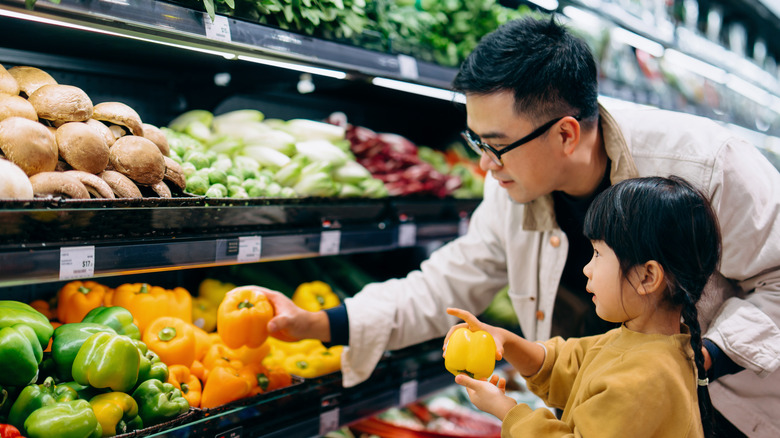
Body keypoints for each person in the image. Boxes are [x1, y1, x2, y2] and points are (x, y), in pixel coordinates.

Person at [260, 16, 780, 437]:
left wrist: (693, 359)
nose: (485, 164)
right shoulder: (512, 183)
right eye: (475, 143)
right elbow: (446, 283)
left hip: (726, 414)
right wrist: (318, 323)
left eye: (496, 144)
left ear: (566, 134)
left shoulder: (707, 164)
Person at [445, 176, 719, 437]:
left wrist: (506, 411)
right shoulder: (643, 343)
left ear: (647, 277)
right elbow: (568, 364)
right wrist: (505, 340)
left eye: (599, 253)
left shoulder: (643, 380)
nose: (587, 268)